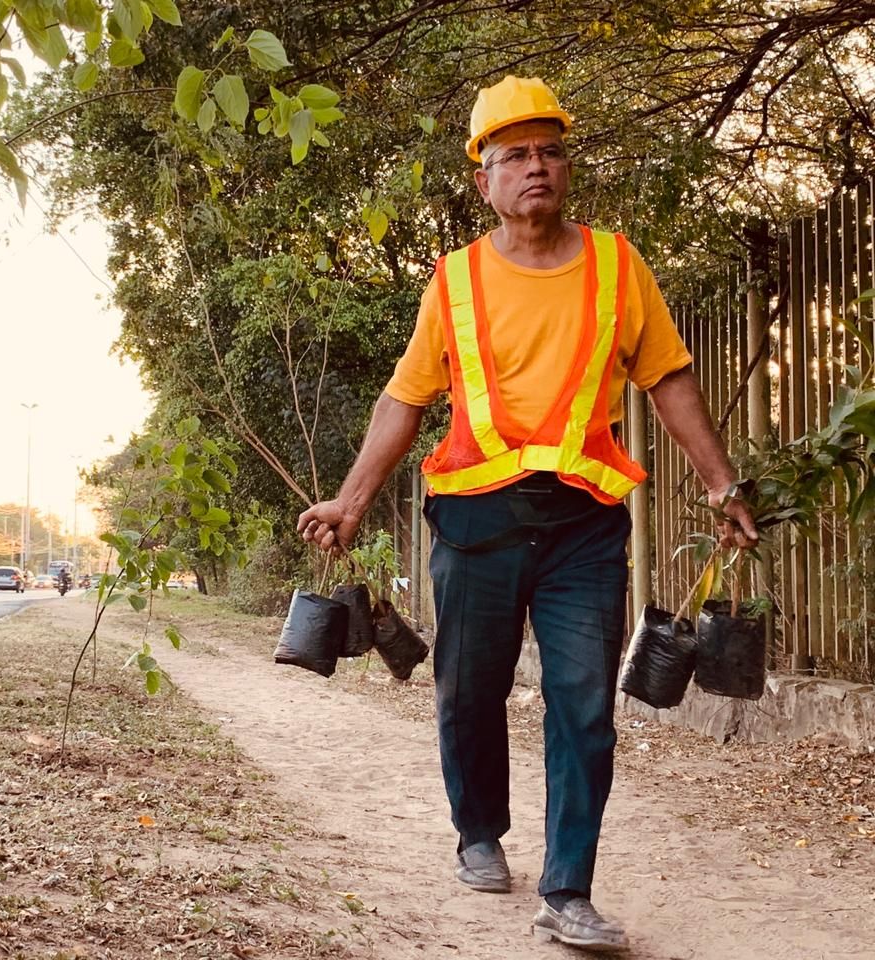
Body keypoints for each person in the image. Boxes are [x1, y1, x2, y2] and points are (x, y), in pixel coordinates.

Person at [297, 77, 758, 953]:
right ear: (485, 179)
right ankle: (479, 832)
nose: (535, 166)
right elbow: (406, 397)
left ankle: (568, 888)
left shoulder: (621, 266)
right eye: (515, 155)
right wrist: (352, 501)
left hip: (584, 526)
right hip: (474, 522)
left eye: (549, 149)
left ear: (566, 165)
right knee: (469, 688)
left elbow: (667, 378)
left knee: (583, 703)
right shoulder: (457, 280)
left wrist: (721, 485)